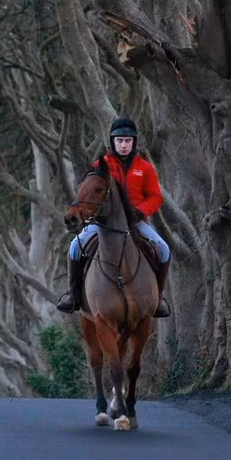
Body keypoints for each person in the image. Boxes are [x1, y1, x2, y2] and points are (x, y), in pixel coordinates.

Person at [56, 116, 172, 317]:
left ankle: (158, 298)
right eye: (120, 141)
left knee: (164, 249)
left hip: (135, 223)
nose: (124, 145)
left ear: (133, 142)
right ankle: (73, 294)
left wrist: (140, 211)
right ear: (113, 142)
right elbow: (88, 192)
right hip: (104, 223)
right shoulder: (102, 165)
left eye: (128, 140)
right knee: (75, 247)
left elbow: (155, 197)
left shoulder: (144, 168)